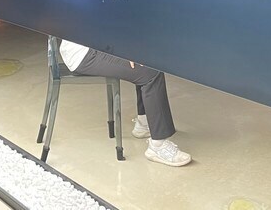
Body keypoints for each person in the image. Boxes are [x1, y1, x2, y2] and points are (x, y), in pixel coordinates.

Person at [58, 39, 192, 167]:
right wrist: (125, 50)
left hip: (93, 46)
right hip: (84, 53)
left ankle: (144, 123)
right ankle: (158, 146)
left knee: (147, 61)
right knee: (151, 72)